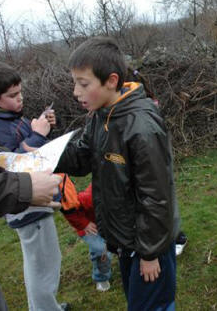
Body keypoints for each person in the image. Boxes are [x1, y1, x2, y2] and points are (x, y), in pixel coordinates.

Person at [56, 37, 180, 311]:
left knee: (153, 306)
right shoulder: (101, 115)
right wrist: (43, 156)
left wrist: (150, 254)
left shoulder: (142, 127)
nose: (76, 92)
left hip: (149, 244)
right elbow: (81, 157)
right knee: (137, 303)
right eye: (75, 82)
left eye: (83, 83)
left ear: (111, 81)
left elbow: (156, 196)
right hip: (126, 239)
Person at [0, 60, 69, 311]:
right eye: (13, 95)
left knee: (46, 261)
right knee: (42, 267)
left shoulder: (10, 117)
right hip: (26, 204)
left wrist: (44, 128)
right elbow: (8, 163)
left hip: (32, 198)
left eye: (20, 92)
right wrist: (38, 135)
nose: (20, 98)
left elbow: (29, 150)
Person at [0, 133, 62, 311]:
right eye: (15, 100)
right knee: (41, 270)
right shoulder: (0, 124)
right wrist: (25, 187)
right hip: (26, 210)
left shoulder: (14, 120)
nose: (20, 102)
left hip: (23, 202)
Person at [129, 70, 188, 258]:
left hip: (158, 161)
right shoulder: (142, 108)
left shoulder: (147, 109)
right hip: (152, 162)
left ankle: (177, 237)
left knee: (164, 198)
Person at [62, 183, 112, 292]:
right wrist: (84, 224)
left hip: (109, 223)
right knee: (101, 249)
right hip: (90, 227)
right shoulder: (90, 197)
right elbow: (70, 209)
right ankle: (101, 277)